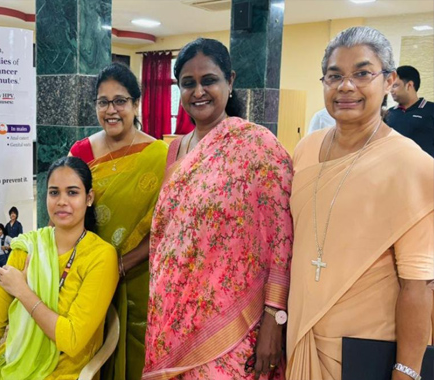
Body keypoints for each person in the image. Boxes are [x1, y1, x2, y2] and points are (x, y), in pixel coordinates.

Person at [286, 27, 433, 380]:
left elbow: (419, 285)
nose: (346, 86)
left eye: (362, 73)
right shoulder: (307, 148)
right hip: (301, 337)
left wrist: (407, 371)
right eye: (334, 76)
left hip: (367, 352)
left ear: (389, 82)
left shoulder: (412, 165)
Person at [142, 38, 294, 380]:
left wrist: (274, 317)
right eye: (188, 83)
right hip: (171, 315)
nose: (199, 91)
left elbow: (282, 239)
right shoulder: (176, 149)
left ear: (230, 80)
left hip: (232, 323)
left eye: (209, 80)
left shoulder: (258, 146)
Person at [0, 157, 119, 380]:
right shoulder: (27, 247)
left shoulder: (101, 257)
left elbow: (71, 340)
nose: (61, 201)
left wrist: (22, 291)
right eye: (54, 192)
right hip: (12, 369)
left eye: (72, 192)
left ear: (89, 198)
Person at [69, 61, 168, 380]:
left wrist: (122, 264)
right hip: (89, 277)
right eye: (103, 102)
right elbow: (67, 217)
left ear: (136, 104)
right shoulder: (81, 152)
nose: (111, 110)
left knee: (137, 356)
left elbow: (167, 228)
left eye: (120, 101)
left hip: (140, 278)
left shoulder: (160, 156)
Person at [384, 65, 434, 157]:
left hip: (425, 169)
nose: (391, 90)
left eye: (395, 85)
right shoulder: (388, 114)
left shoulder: (431, 110)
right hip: (394, 168)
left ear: (409, 85)